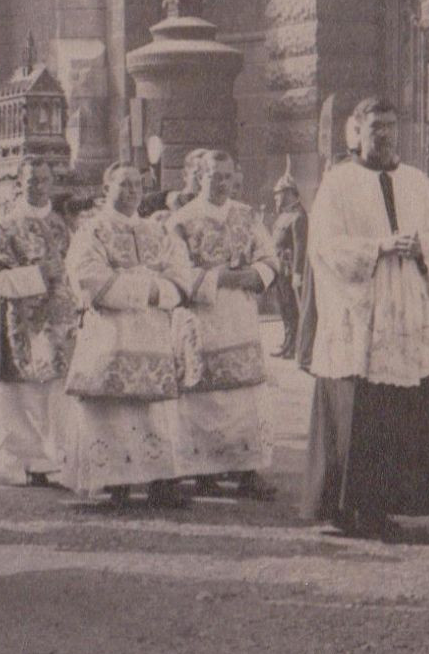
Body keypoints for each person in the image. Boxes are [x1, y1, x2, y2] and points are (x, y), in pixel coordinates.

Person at [300, 98, 429, 538]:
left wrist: (421, 246)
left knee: (397, 415)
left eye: (391, 126)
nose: (384, 135)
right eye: (375, 128)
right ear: (356, 133)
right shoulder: (338, 183)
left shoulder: (418, 182)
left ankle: (383, 507)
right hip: (358, 316)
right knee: (356, 414)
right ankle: (341, 509)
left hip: (404, 313)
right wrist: (377, 248)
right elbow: (325, 246)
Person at [63, 161, 197, 508]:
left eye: (137, 184)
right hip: (111, 332)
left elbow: (181, 274)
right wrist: (146, 289)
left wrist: (158, 294)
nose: (133, 190)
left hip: (153, 332)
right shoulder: (92, 231)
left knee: (154, 411)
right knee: (112, 408)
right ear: (107, 189)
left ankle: (159, 480)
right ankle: (113, 479)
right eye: (123, 184)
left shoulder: (160, 231)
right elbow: (88, 277)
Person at [167, 149, 279, 498]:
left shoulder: (247, 216)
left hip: (241, 315)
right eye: (215, 176)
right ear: (200, 176)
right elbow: (177, 271)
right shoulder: (181, 221)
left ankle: (246, 468)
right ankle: (203, 470)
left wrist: (252, 275)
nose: (222, 184)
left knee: (245, 393)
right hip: (203, 316)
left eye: (228, 177)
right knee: (205, 394)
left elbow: (270, 259)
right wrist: (220, 279)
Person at [0, 158, 79, 487]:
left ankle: (51, 458)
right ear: (20, 184)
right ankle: (16, 459)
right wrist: (36, 276)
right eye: (31, 180)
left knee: (56, 394)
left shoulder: (63, 225)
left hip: (61, 322)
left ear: (52, 182)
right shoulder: (5, 226)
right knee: (19, 395)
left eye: (44, 179)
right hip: (21, 321)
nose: (38, 186)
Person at [268, 165, 308, 358]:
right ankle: (286, 342)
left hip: (290, 270)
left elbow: (301, 247)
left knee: (292, 310)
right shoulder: (283, 215)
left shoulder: (299, 216)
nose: (276, 197)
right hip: (280, 269)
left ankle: (295, 346)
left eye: (279, 194)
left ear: (290, 193)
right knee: (283, 308)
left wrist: (298, 274)